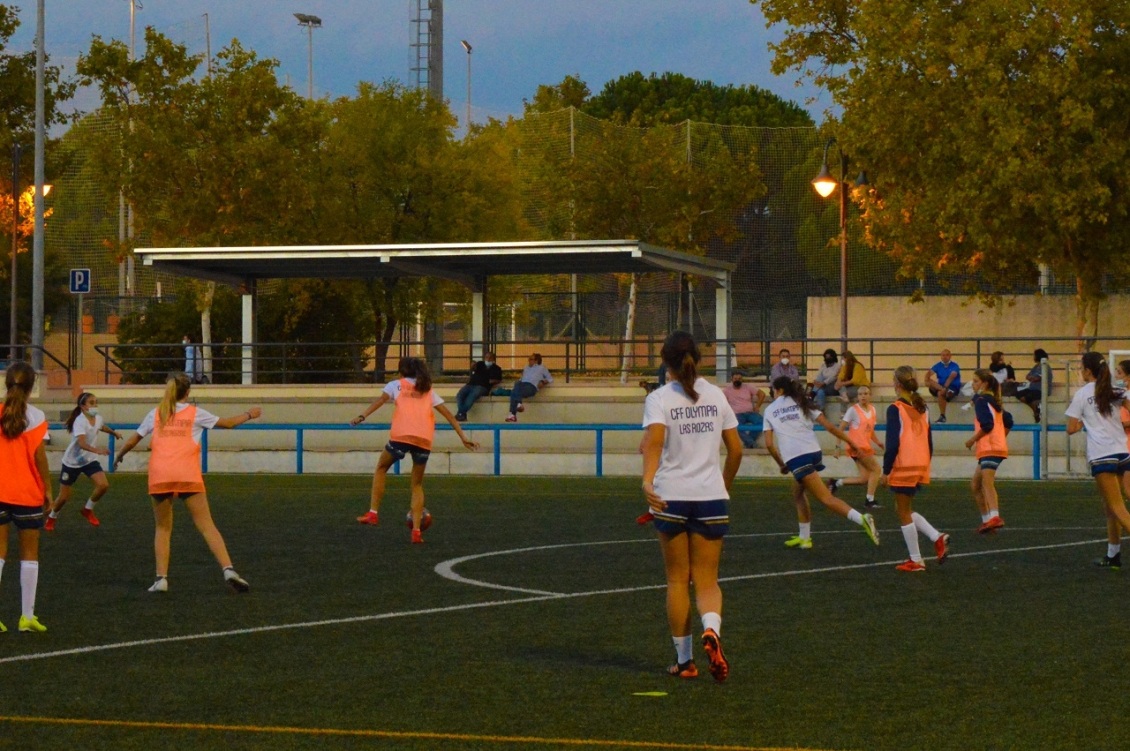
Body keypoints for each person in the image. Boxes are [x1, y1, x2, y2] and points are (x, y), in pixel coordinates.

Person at [641, 331, 742, 683]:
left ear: (665, 362)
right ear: (698, 359)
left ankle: (685, 662)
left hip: (670, 495)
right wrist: (722, 486)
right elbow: (737, 449)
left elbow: (653, 442)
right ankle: (711, 630)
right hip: (710, 496)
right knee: (708, 582)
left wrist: (647, 481)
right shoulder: (717, 395)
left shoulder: (659, 398)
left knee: (676, 580)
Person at [114, 373, 259, 593]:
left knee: (162, 528)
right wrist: (250, 414)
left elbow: (135, 438)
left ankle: (161, 579)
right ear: (188, 392)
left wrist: (119, 455)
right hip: (187, 473)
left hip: (160, 474)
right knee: (207, 525)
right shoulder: (195, 413)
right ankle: (228, 569)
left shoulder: (156, 413)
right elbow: (228, 424)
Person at [353, 357, 479, 542]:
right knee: (417, 485)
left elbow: (380, 401)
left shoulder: (396, 385)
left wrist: (362, 416)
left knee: (381, 468)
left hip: (402, 435)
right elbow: (450, 416)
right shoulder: (427, 389)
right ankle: (417, 532)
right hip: (423, 439)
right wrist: (463, 437)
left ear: (402, 371)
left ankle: (373, 513)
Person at [762, 376, 880, 550]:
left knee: (826, 498)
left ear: (778, 390)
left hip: (796, 457)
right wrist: (852, 443)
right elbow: (830, 427)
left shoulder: (770, 409)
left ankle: (861, 518)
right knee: (797, 492)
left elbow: (770, 444)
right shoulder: (803, 402)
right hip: (813, 453)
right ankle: (804, 538)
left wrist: (781, 464)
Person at [1064, 352, 1130, 570]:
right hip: (1122, 452)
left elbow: (1071, 429)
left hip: (1102, 455)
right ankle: (1113, 555)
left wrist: (1086, 419)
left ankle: (1113, 554)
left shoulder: (1082, 395)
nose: (1080, 371)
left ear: (1088, 371)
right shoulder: (1114, 391)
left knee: (1118, 508)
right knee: (1111, 507)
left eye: (1082, 367)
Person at [881, 366, 950, 572]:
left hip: (905, 464)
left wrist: (886, 470)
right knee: (904, 508)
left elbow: (892, 443)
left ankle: (916, 559)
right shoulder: (923, 407)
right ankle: (937, 537)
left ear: (898, 384)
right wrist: (926, 461)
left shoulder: (896, 408)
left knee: (902, 511)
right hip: (920, 462)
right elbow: (929, 440)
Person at [0, 362, 52, 633]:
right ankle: (26, 616)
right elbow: (39, 457)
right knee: (30, 555)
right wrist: (48, 489)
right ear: (32, 387)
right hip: (27, 493)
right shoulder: (37, 416)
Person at [45, 392, 123, 531]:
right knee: (63, 498)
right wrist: (97, 450)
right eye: (92, 403)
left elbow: (101, 426)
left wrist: (114, 433)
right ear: (82, 406)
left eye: (96, 402)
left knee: (103, 485)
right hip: (72, 462)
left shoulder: (97, 418)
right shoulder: (79, 421)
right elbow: (81, 443)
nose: (95, 405)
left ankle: (87, 510)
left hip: (88, 460)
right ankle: (52, 517)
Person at [964, 369, 1013, 534]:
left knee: (986, 482)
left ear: (984, 384)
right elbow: (1008, 420)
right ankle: (987, 521)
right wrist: (1001, 437)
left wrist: (972, 439)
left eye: (976, 381)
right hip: (993, 446)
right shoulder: (993, 400)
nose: (973, 384)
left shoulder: (981, 400)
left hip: (990, 447)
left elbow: (987, 425)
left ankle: (994, 516)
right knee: (975, 485)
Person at [829, 386, 884, 509]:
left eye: (866, 393)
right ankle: (869, 500)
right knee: (876, 470)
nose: (863, 396)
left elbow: (870, 431)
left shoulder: (873, 410)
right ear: (857, 396)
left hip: (865, 446)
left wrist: (877, 442)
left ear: (870, 395)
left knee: (864, 478)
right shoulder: (853, 410)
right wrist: (837, 447)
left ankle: (836, 483)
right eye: (860, 394)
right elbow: (840, 429)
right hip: (856, 446)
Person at [454, 351, 502, 421]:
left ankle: (460, 413)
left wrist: (491, 381)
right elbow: (473, 368)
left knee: (472, 396)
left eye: (490, 358)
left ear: (493, 359)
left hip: (483, 387)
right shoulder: (480, 364)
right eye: (486, 358)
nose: (488, 360)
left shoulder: (497, 369)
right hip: (470, 384)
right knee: (460, 395)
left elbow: (499, 379)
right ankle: (462, 414)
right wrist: (472, 365)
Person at [722, 370, 765, 449]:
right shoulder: (727, 390)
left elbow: (762, 394)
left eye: (739, 378)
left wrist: (757, 406)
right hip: (737, 414)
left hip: (750, 412)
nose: (737, 380)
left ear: (742, 379)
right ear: (731, 379)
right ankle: (752, 443)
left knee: (762, 422)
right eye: (735, 378)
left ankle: (749, 442)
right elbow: (721, 401)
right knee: (735, 425)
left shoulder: (748, 387)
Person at [505, 353, 553, 422]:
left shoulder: (542, 368)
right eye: (528, 359)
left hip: (531, 386)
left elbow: (550, 378)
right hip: (522, 385)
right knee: (516, 386)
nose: (529, 361)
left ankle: (513, 412)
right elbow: (522, 378)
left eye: (531, 359)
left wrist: (543, 382)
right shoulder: (526, 367)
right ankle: (515, 410)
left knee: (515, 390)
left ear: (536, 361)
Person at [925, 349, 962, 423]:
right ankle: (942, 389)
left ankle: (942, 416)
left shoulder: (955, 365)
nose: (945, 357)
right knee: (933, 385)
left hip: (952, 388)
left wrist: (944, 388)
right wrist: (926, 379)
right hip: (941, 387)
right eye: (943, 355)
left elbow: (951, 377)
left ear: (950, 356)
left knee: (940, 393)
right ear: (941, 356)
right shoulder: (938, 365)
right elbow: (928, 374)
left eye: (947, 355)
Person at [1015, 348, 1052, 422]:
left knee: (1027, 397)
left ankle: (1037, 411)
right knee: (1018, 394)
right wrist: (1032, 378)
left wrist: (1032, 378)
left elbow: (1037, 378)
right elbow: (1028, 376)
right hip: (1032, 389)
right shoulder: (1036, 367)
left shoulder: (1045, 366)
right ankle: (1035, 409)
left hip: (1040, 390)